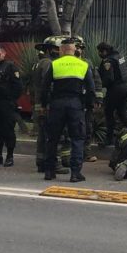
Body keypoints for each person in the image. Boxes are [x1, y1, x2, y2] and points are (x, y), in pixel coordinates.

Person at [41, 38, 95, 182]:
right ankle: (75, 173)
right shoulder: (83, 65)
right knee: (77, 138)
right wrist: (89, 106)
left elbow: (45, 87)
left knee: (53, 139)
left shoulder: (55, 64)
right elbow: (91, 89)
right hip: (75, 105)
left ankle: (49, 171)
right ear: (74, 50)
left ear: (62, 50)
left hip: (57, 105)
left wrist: (43, 105)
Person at [30, 36, 69, 174]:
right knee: (54, 135)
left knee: (43, 135)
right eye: (58, 49)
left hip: (39, 105)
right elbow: (49, 86)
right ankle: (54, 164)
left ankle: (41, 162)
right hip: (48, 106)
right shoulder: (48, 64)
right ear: (52, 50)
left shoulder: (39, 63)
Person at [97, 42, 127, 147]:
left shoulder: (108, 61)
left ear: (104, 51)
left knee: (109, 113)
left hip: (115, 89)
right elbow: (124, 70)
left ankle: (109, 139)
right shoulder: (120, 57)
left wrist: (100, 85)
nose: (99, 54)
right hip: (126, 87)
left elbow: (109, 78)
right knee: (122, 113)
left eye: (99, 52)